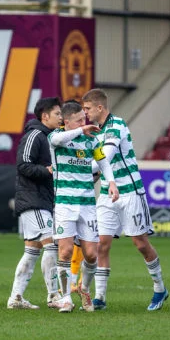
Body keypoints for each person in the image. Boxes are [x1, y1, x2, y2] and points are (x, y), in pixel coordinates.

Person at [82, 89, 168, 311]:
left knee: (140, 243)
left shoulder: (117, 125)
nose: (85, 113)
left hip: (130, 192)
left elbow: (106, 158)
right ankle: (100, 297)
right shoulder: (93, 133)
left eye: (88, 109)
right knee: (101, 243)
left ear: (100, 107)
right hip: (107, 195)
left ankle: (160, 289)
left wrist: (76, 169)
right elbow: (98, 170)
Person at [49, 101, 118, 312]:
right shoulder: (56, 137)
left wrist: (112, 182)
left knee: (91, 254)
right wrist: (81, 130)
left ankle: (84, 288)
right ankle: (65, 297)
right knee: (65, 251)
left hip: (87, 203)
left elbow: (102, 160)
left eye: (84, 118)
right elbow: (59, 138)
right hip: (64, 203)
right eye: (79, 119)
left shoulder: (91, 140)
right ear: (67, 121)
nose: (84, 122)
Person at [7, 97, 64, 309]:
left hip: (42, 199)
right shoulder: (35, 135)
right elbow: (23, 165)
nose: (61, 118)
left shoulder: (51, 137)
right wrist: (48, 171)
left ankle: (16, 298)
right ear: (45, 116)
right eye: (58, 114)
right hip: (33, 199)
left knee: (32, 250)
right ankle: (53, 296)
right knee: (51, 245)